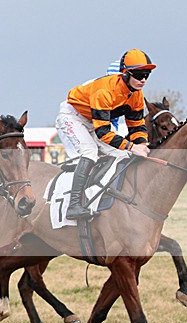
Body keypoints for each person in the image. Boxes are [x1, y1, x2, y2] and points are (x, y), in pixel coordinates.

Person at [55, 49, 154, 220]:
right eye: (139, 75)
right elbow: (102, 132)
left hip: (93, 121)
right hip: (73, 117)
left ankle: (108, 195)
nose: (143, 80)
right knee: (90, 152)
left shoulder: (136, 95)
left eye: (147, 75)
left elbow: (136, 125)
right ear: (125, 73)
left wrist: (142, 145)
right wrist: (132, 146)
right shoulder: (105, 90)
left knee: (122, 155)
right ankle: (73, 205)